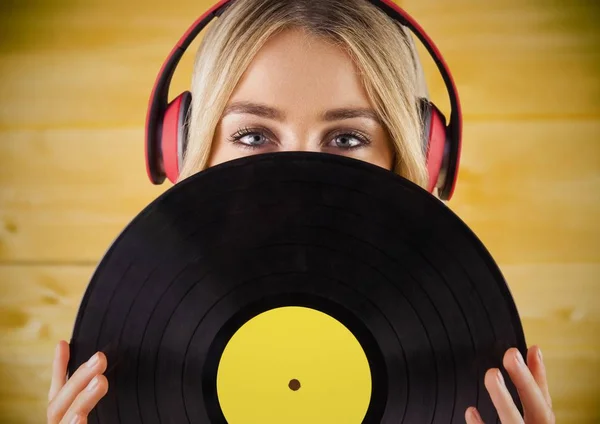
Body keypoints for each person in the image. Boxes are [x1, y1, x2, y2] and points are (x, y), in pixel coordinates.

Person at [46, 0, 555, 423]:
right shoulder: (143, 348)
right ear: (187, 148)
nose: (299, 171)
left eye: (347, 138)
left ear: (415, 155)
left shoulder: (455, 353)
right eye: (253, 136)